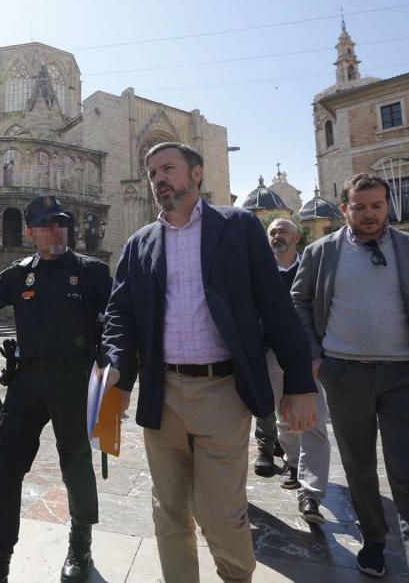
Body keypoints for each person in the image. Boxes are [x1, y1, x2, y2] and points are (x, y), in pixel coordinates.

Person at [102, 143, 318, 583]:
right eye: (152, 173)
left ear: (196, 175)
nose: (159, 178)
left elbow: (275, 306)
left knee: (221, 514)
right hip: (162, 395)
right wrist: (116, 374)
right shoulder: (140, 244)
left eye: (168, 169)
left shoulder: (236, 227)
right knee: (169, 511)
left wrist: (299, 383)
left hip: (222, 390)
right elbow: (119, 317)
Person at [291, 172, 409, 582]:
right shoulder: (321, 252)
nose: (369, 214)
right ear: (345, 208)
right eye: (359, 206)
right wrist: (314, 353)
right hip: (345, 374)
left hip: (408, 377)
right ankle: (374, 541)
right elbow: (298, 301)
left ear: (388, 207)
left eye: (377, 206)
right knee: (359, 465)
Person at [0, 195, 112, 583]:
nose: (56, 229)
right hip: (27, 383)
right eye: (46, 224)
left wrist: (112, 383)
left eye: (61, 222)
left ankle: (80, 546)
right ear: (31, 233)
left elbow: (116, 324)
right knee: (2, 472)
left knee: (76, 466)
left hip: (75, 383)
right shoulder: (19, 272)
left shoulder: (92, 272)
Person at [264, 218, 331, 525]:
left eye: (282, 231)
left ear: (297, 237)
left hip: (309, 355)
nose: (276, 236)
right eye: (272, 232)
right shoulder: (260, 271)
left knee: (314, 420)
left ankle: (311, 492)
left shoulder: (313, 268)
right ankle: (292, 462)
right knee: (284, 416)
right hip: (273, 353)